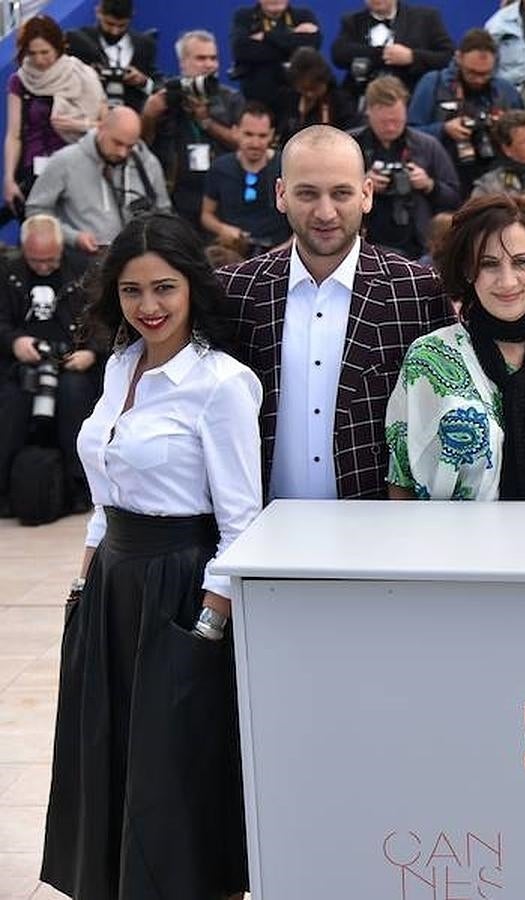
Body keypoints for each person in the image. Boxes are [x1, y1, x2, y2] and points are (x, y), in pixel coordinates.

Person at [41, 211, 260, 900]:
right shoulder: (119, 365)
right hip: (111, 586)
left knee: (170, 770)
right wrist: (83, 587)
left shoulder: (221, 384)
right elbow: (107, 496)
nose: (150, 307)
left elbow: (240, 520)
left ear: (192, 287)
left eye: (164, 288)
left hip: (179, 583)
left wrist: (207, 625)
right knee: (105, 752)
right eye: (133, 292)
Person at [217, 125, 451, 500]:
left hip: (376, 534)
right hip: (261, 533)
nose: (325, 212)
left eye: (341, 193)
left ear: (366, 194)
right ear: (281, 194)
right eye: (307, 193)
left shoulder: (418, 291)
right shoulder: (234, 291)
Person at [387, 193, 525, 500]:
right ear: (466, 269)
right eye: (489, 264)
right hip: (457, 545)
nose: (507, 281)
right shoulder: (429, 357)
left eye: (521, 262)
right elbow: (401, 480)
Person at [0, 215, 98, 517]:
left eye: (50, 259)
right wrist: (14, 342)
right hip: (19, 363)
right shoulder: (7, 272)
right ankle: (5, 488)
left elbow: (104, 320)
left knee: (74, 395)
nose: (43, 266)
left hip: (74, 362)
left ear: (61, 249)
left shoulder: (84, 270)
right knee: (13, 401)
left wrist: (91, 352)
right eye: (36, 260)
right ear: (23, 249)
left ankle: (80, 486)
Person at [26, 105, 171, 256]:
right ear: (101, 128)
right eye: (117, 143)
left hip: (134, 259)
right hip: (80, 260)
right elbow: (36, 211)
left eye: (130, 146)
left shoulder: (148, 163)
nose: (122, 152)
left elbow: (164, 212)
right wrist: (73, 237)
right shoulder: (65, 161)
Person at [4, 16, 105, 223]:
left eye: (45, 52)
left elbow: (105, 127)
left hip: (78, 170)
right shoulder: (19, 81)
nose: (39, 60)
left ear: (58, 48)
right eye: (32, 53)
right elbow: (14, 135)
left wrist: (78, 125)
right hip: (34, 173)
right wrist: (9, 178)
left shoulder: (83, 75)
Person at [141, 30, 246, 229]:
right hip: (176, 195)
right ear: (183, 63)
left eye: (213, 58)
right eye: (201, 58)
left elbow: (245, 143)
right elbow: (142, 144)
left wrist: (206, 121)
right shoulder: (165, 96)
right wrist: (148, 115)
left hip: (221, 196)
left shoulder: (231, 99)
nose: (209, 64)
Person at [354, 76, 461, 261]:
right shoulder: (349, 146)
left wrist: (429, 185)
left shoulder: (427, 146)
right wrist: (359, 186)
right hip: (363, 242)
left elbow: (455, 198)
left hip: (418, 245)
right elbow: (329, 193)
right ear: (368, 112)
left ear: (406, 112)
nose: (391, 127)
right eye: (384, 122)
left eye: (396, 121)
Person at [410, 28, 525, 191]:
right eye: (472, 73)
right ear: (459, 58)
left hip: (496, 180)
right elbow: (410, 133)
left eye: (485, 74)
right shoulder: (433, 84)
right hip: (444, 177)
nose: (478, 80)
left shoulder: (506, 91)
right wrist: (444, 129)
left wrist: (503, 130)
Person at [202, 101, 290, 255]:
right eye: (248, 134)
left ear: (271, 135)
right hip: (234, 250)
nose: (255, 143)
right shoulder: (220, 167)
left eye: (262, 136)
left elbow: (304, 218)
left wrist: (284, 250)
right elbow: (206, 215)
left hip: (279, 251)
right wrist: (223, 229)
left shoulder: (286, 165)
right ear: (235, 132)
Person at [331, 0, 454, 102]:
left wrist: (412, 57)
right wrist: (382, 53)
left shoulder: (426, 18)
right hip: (362, 99)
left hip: (412, 99)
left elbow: (447, 56)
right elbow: (339, 54)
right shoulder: (352, 21)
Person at [229, 0, 323, 122]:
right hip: (258, 96)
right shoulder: (244, 16)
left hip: (296, 96)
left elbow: (311, 45)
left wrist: (266, 36)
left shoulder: (303, 15)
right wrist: (292, 40)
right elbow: (241, 51)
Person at [65, 0, 158, 113]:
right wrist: (87, 76)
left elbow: (158, 85)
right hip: (87, 117)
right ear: (98, 12)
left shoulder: (145, 45)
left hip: (133, 120)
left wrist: (143, 81)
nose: (115, 31)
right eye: (109, 24)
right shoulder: (77, 41)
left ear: (132, 16)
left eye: (122, 25)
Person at [276, 46, 359, 144]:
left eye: (314, 89)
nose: (309, 94)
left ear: (324, 81)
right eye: (304, 89)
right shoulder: (289, 99)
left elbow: (351, 134)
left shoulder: (340, 101)